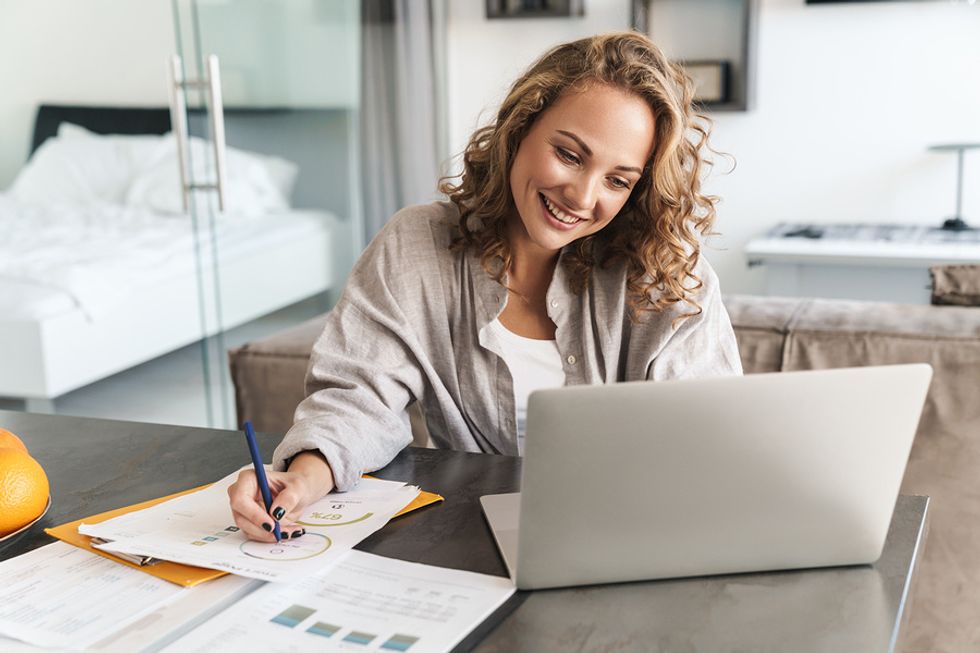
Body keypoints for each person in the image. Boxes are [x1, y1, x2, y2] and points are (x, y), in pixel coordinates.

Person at [228, 31, 743, 542]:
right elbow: (358, 399)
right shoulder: (416, 246)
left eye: (617, 180)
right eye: (569, 154)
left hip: (624, 542)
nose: (582, 196)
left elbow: (707, 445)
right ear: (520, 129)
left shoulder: (666, 278)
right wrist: (303, 476)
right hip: (465, 545)